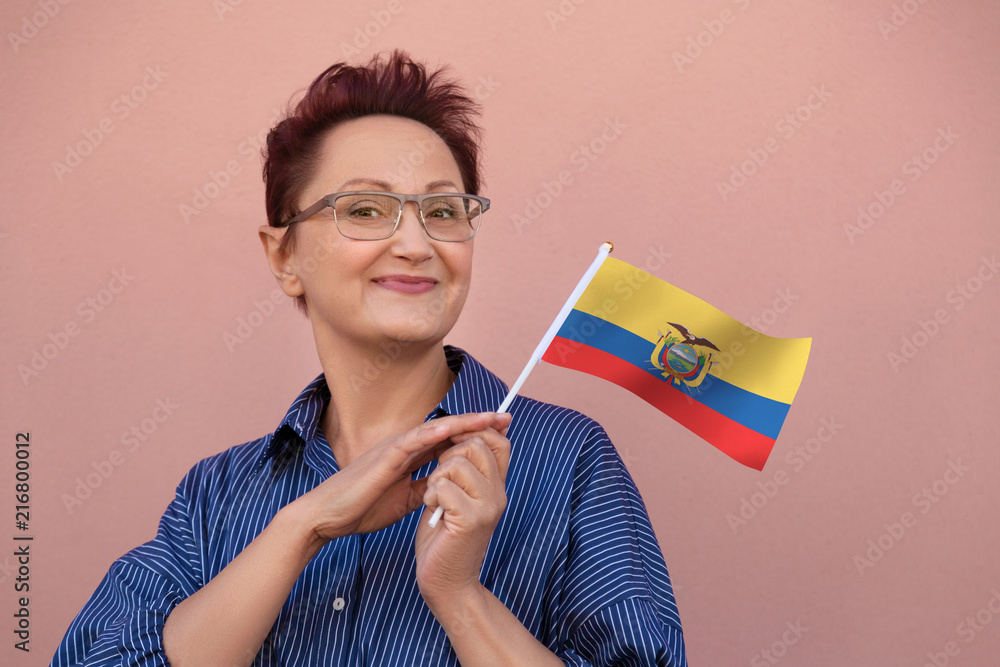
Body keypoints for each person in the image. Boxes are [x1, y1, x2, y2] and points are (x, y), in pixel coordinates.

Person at [51, 50, 687, 666]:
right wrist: (302, 529)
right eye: (363, 210)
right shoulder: (217, 495)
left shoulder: (567, 460)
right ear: (284, 258)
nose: (415, 243)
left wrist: (460, 598)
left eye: (442, 211)